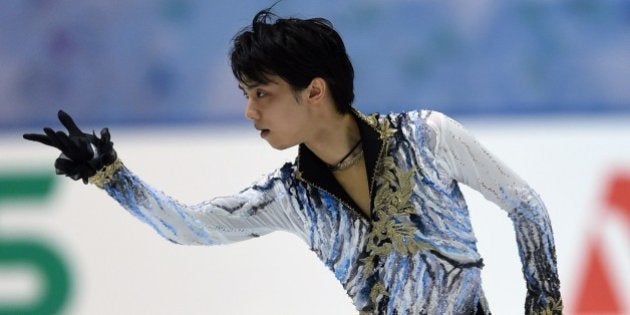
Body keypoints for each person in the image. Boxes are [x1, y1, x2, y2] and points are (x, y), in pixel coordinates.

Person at [23, 8, 562, 314]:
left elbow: (527, 206)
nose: (249, 110)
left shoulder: (426, 137)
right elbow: (192, 228)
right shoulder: (291, 196)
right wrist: (112, 177)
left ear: (315, 90)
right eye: (245, 93)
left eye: (262, 93)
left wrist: (544, 306)